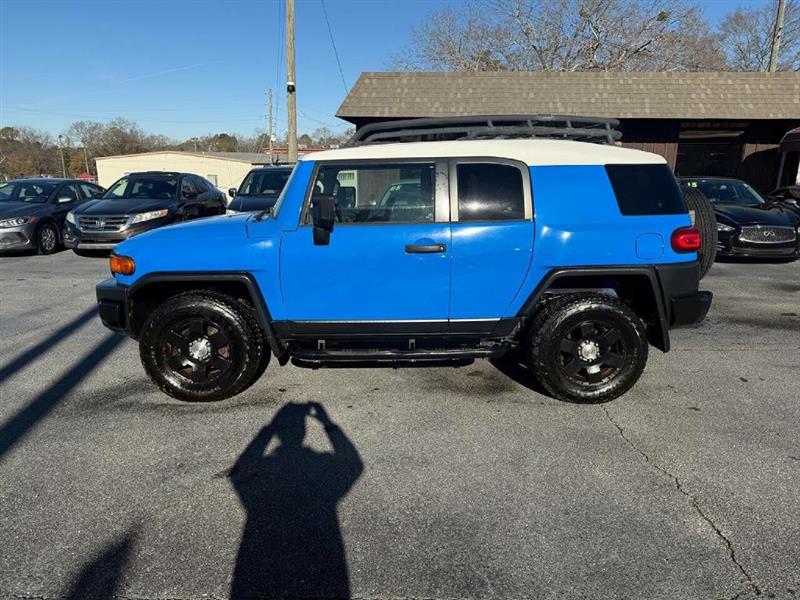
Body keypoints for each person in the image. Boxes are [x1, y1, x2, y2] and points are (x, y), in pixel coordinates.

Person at [229, 402, 363, 598]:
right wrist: (326, 422)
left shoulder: (261, 476)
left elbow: (240, 470)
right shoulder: (322, 468)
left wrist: (269, 429)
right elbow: (353, 465)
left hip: (257, 560)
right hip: (321, 563)